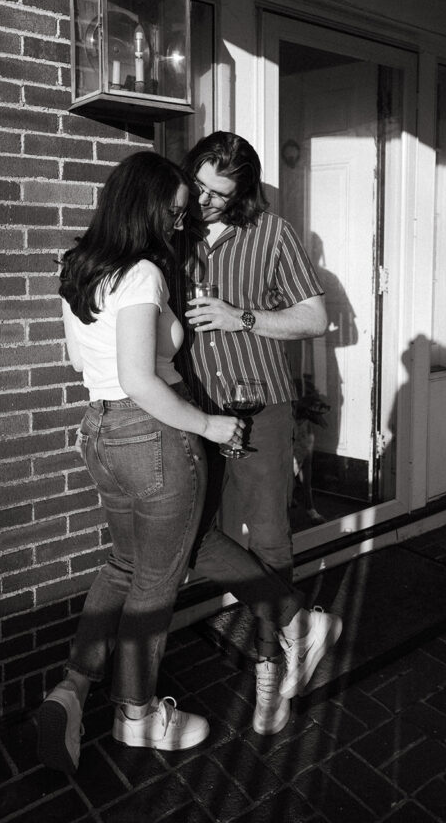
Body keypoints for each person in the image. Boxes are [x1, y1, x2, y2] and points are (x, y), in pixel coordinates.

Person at [36, 150, 341, 774]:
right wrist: (207, 422)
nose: (184, 220)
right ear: (147, 205)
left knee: (135, 560)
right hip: (155, 432)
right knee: (160, 576)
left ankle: (73, 685)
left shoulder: (77, 265)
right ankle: (138, 715)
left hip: (98, 431)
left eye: (199, 204)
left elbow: (81, 364)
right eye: (177, 208)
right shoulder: (145, 272)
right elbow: (140, 378)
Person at [172, 131, 337, 735]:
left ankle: (272, 669)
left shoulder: (271, 233)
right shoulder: (172, 227)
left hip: (259, 406)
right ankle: (301, 622)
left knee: (269, 539)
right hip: (192, 411)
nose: (206, 201)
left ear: (240, 192)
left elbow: (316, 317)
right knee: (194, 536)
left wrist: (240, 317)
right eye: (201, 186)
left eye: (221, 193)